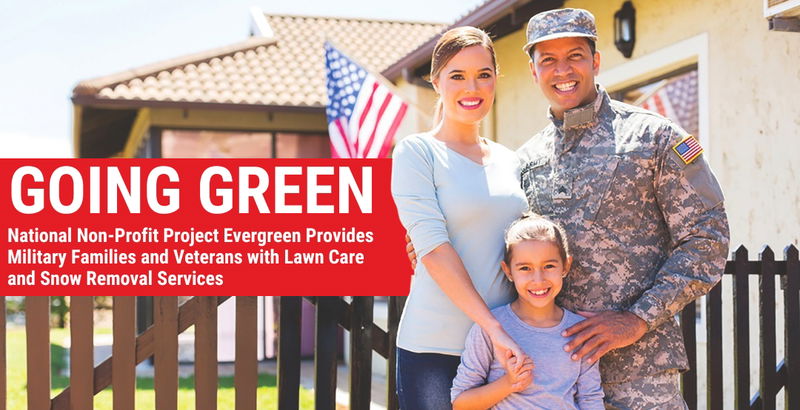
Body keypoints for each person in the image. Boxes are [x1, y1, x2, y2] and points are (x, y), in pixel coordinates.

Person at [406, 8, 730, 409]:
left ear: (595, 61)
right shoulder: (523, 160)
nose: (563, 70)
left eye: (575, 55)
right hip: (547, 381)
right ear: (533, 70)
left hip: (639, 374)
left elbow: (708, 239)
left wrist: (637, 319)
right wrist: (431, 245)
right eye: (548, 60)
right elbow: (507, 247)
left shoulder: (654, 138)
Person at [391, 26, 530, 409]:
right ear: (436, 82)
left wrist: (508, 333)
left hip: (502, 348)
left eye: (484, 75)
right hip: (436, 346)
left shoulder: (512, 160)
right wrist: (494, 329)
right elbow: (433, 249)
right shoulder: (417, 153)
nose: (473, 87)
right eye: (457, 76)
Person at [451, 213, 605, 409]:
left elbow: (590, 399)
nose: (538, 279)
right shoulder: (490, 329)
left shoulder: (580, 331)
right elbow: (460, 403)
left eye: (549, 265)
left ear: (566, 266)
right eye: (525, 268)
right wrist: (509, 383)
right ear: (508, 271)